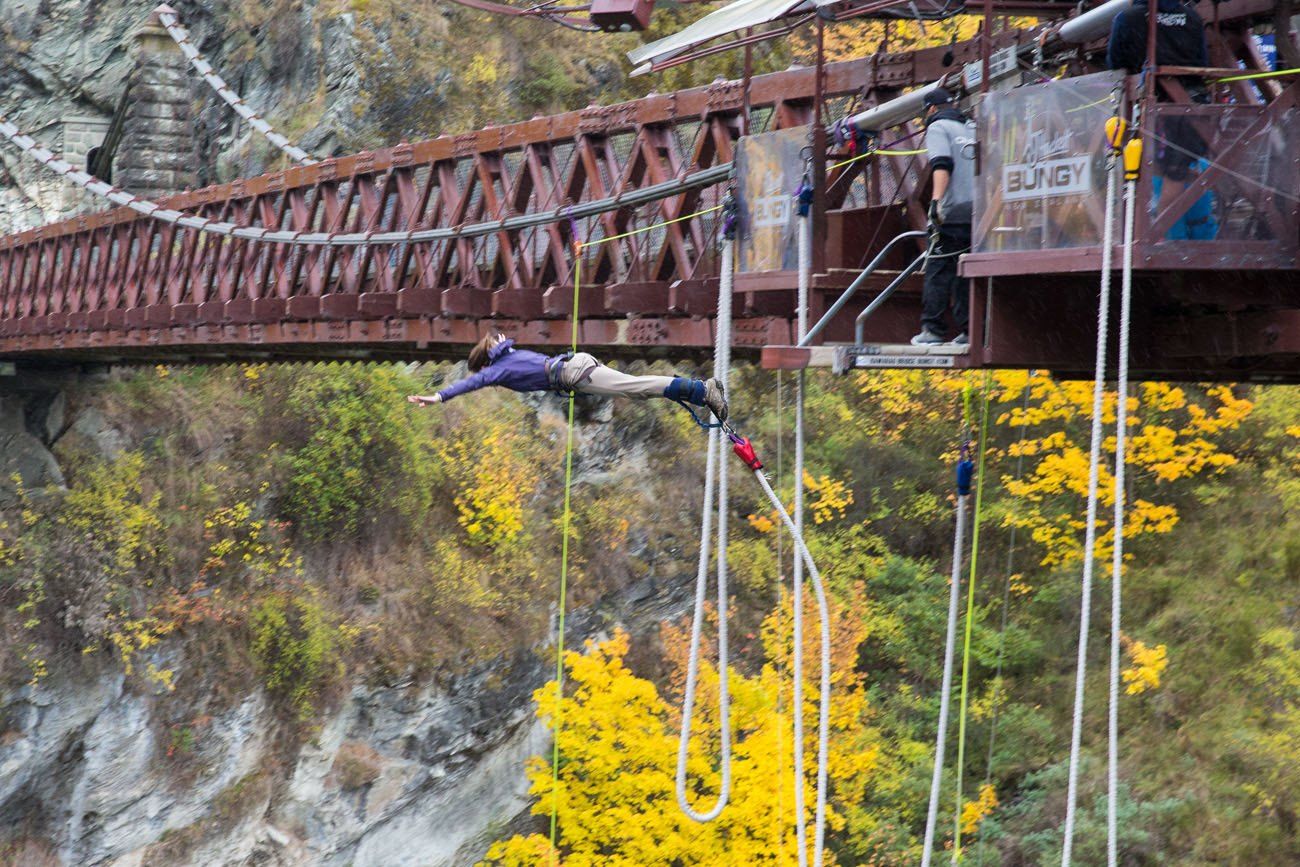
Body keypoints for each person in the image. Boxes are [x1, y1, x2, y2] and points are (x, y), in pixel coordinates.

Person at [407, 331, 729, 420]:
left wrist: (439, 396)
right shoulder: (504, 360)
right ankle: (703, 390)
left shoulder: (499, 365)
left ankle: (701, 391)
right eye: (497, 338)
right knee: (637, 391)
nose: (503, 336)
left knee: (636, 387)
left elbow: (470, 381)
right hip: (573, 367)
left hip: (573, 372)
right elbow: (477, 376)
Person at [1107, 0, 1218, 240]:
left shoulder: (1127, 19)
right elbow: (1201, 63)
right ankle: (1177, 240)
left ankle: (1164, 241)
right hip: (1192, 109)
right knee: (1183, 171)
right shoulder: (1193, 18)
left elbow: (1115, 65)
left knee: (1167, 176)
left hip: (1155, 110)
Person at [913, 87, 977, 347]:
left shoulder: (938, 128)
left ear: (931, 109)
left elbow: (942, 164)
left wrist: (936, 203)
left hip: (951, 212)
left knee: (939, 268)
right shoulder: (971, 127)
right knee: (965, 272)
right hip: (976, 211)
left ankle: (933, 330)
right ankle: (968, 330)